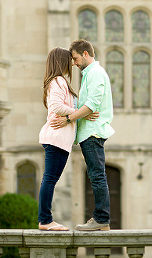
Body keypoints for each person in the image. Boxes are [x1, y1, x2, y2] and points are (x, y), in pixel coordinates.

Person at [50, 39, 114, 231]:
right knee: (96, 175)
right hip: (89, 132)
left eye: (76, 58)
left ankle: (101, 218)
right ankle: (101, 218)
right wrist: (82, 109)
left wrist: (69, 118)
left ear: (85, 54)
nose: (74, 63)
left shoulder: (95, 73)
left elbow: (92, 105)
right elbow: (89, 105)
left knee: (97, 176)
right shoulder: (89, 74)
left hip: (92, 133)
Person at [37, 47, 96, 231]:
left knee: (50, 179)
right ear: (61, 61)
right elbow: (56, 106)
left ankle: (45, 219)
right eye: (69, 60)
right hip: (55, 139)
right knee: (49, 179)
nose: (72, 63)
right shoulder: (58, 81)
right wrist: (81, 114)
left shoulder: (58, 81)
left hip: (58, 140)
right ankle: (45, 220)